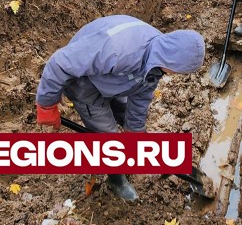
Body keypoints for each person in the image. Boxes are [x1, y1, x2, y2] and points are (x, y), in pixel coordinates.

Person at [35, 15, 206, 201]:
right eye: (179, 70)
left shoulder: (157, 57)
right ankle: (116, 180)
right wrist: (47, 104)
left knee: (126, 116)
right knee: (108, 136)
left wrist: (134, 131)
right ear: (172, 61)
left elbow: (141, 94)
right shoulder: (117, 50)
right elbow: (59, 63)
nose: (177, 74)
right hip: (83, 82)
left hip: (113, 77)